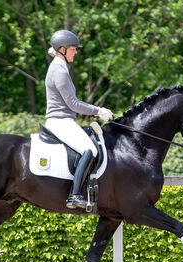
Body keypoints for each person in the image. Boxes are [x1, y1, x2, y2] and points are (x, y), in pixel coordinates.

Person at [45, 30, 113, 209]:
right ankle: (74, 195)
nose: (76, 52)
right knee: (90, 149)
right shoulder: (59, 71)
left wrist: (55, 52)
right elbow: (73, 104)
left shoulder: (58, 64)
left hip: (63, 120)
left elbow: (55, 54)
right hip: (60, 121)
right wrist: (98, 110)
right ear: (62, 49)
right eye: (73, 49)